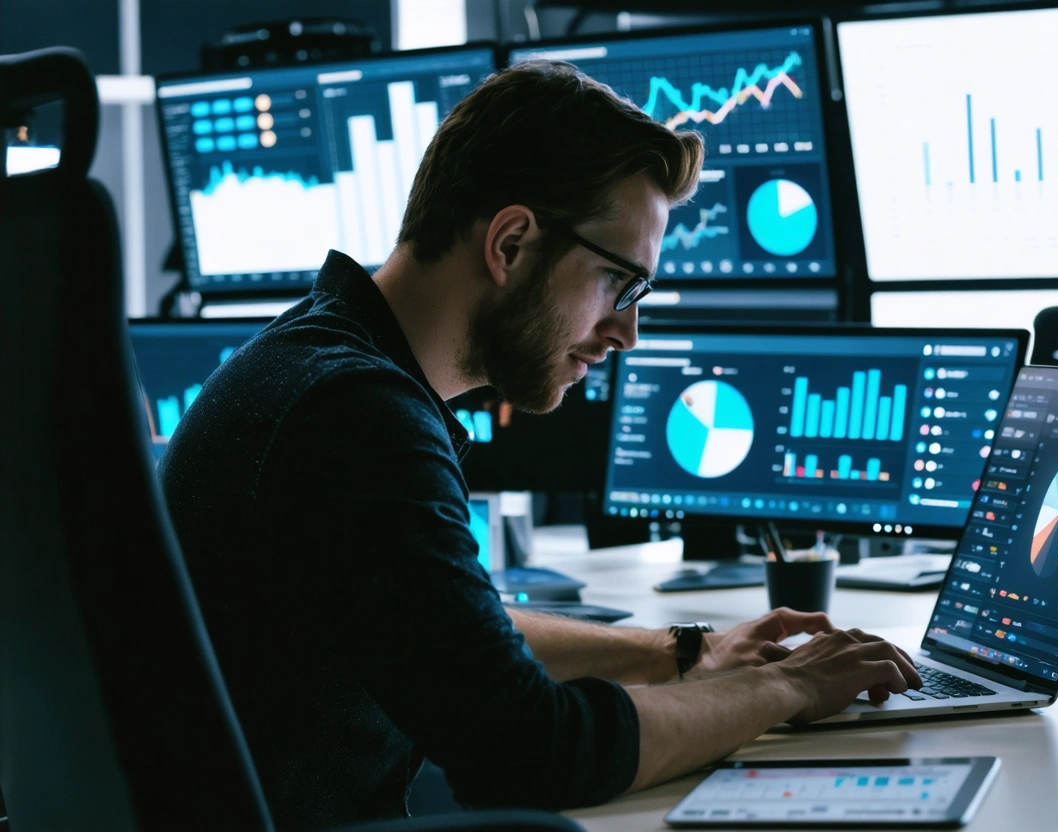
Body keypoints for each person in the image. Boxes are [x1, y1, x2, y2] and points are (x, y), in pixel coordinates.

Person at [159, 61, 921, 830]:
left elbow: (452, 633)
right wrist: (786, 689)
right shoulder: (355, 415)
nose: (628, 331)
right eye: (619, 285)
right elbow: (533, 751)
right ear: (512, 243)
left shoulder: (318, 361)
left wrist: (683, 653)